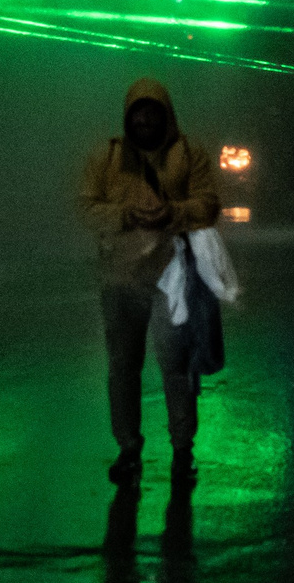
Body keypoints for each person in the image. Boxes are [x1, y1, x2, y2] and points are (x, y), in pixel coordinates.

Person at [76, 78, 220, 484]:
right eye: (137, 114)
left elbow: (208, 205)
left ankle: (181, 449)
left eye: (151, 113)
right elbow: (86, 207)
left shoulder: (188, 155)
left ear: (165, 115)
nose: (144, 121)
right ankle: (129, 448)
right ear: (128, 117)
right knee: (124, 367)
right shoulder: (107, 157)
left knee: (175, 366)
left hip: (171, 280)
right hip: (121, 281)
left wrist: (173, 213)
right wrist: (124, 216)